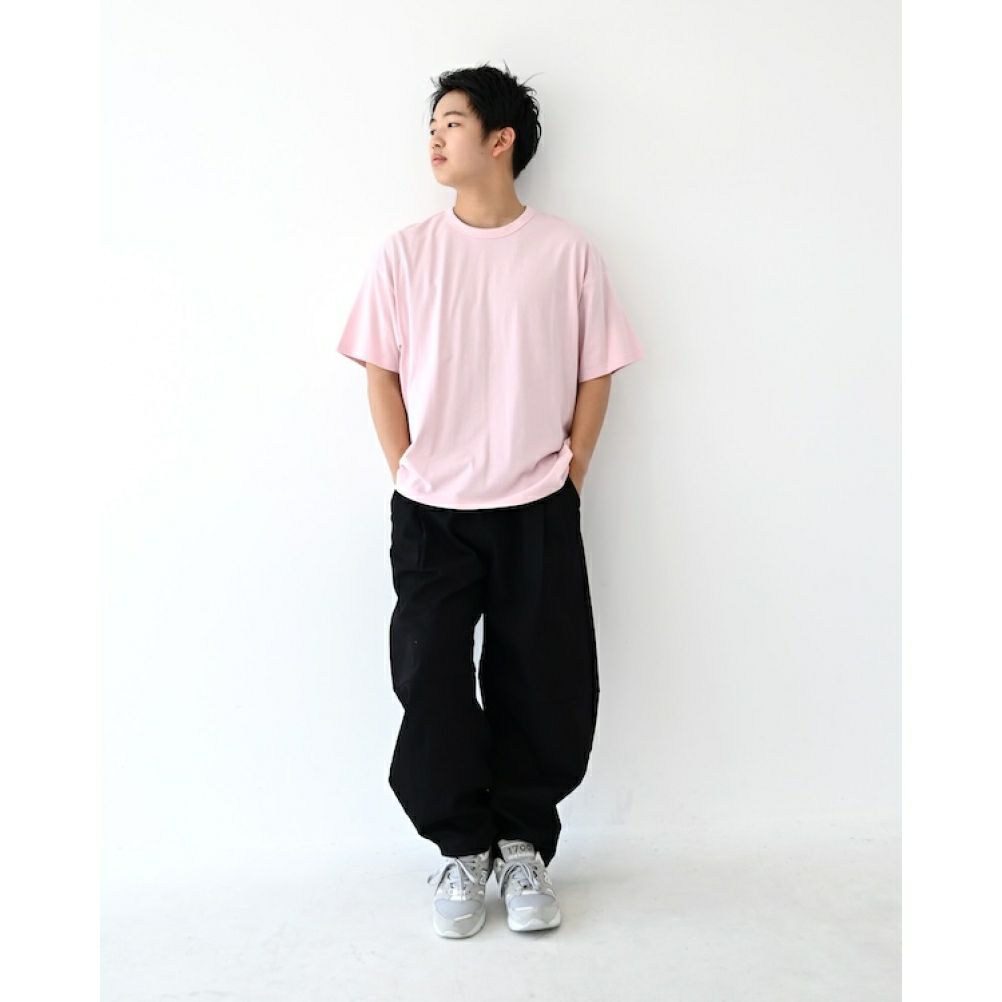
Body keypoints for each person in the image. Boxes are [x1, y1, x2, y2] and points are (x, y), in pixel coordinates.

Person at [336, 63, 645, 938]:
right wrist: (407, 469)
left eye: (453, 123)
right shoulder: (406, 252)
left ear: (501, 139)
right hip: (432, 508)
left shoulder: (566, 252)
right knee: (430, 676)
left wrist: (571, 474)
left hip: (536, 499)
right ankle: (461, 849)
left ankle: (523, 848)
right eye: (432, 125)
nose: (435, 139)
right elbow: (380, 371)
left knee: (543, 679)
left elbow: (597, 369)